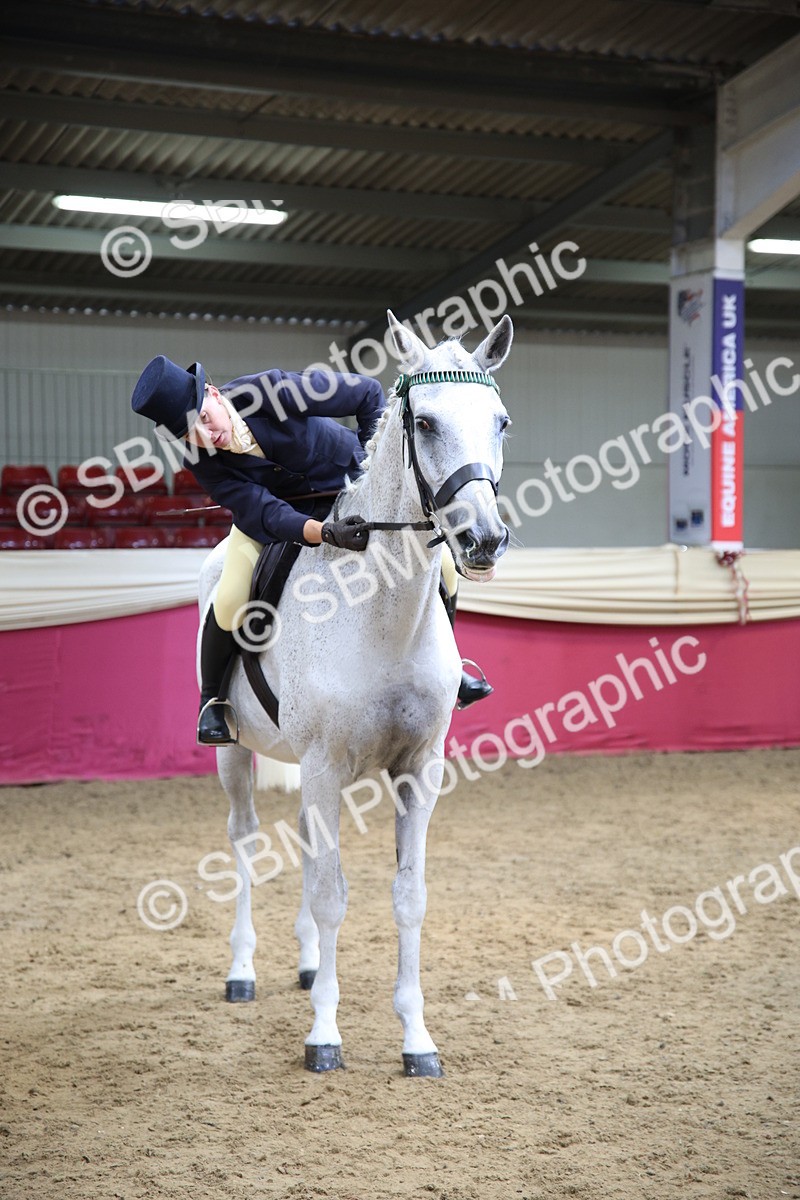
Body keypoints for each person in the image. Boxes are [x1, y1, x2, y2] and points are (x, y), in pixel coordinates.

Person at [131, 356, 492, 745]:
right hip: (283, 516)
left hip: (350, 487)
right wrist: (321, 532)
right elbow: (257, 507)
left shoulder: (267, 391)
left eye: (204, 417)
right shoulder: (200, 457)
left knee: (444, 567)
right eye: (190, 433)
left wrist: (375, 479)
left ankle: (452, 671)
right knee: (232, 594)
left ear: (213, 394)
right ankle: (214, 700)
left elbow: (367, 394)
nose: (204, 434)